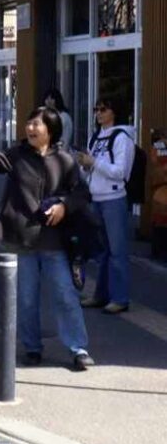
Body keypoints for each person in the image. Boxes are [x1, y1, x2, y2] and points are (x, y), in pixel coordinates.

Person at [0, 108, 94, 370]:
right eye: (29, 123)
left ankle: (78, 348)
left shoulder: (65, 160)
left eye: (36, 124)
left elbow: (82, 194)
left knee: (65, 294)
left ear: (50, 131)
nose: (30, 128)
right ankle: (32, 347)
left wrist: (64, 205)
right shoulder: (17, 155)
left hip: (54, 241)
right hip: (23, 239)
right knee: (27, 298)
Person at [77, 98, 134, 314]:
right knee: (102, 252)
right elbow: (91, 171)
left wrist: (93, 163)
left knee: (117, 251)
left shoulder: (122, 137)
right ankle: (101, 295)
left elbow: (120, 172)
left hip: (114, 199)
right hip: (97, 198)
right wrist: (84, 165)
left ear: (114, 112)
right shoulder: (95, 137)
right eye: (96, 109)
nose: (98, 113)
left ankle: (120, 298)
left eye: (103, 109)